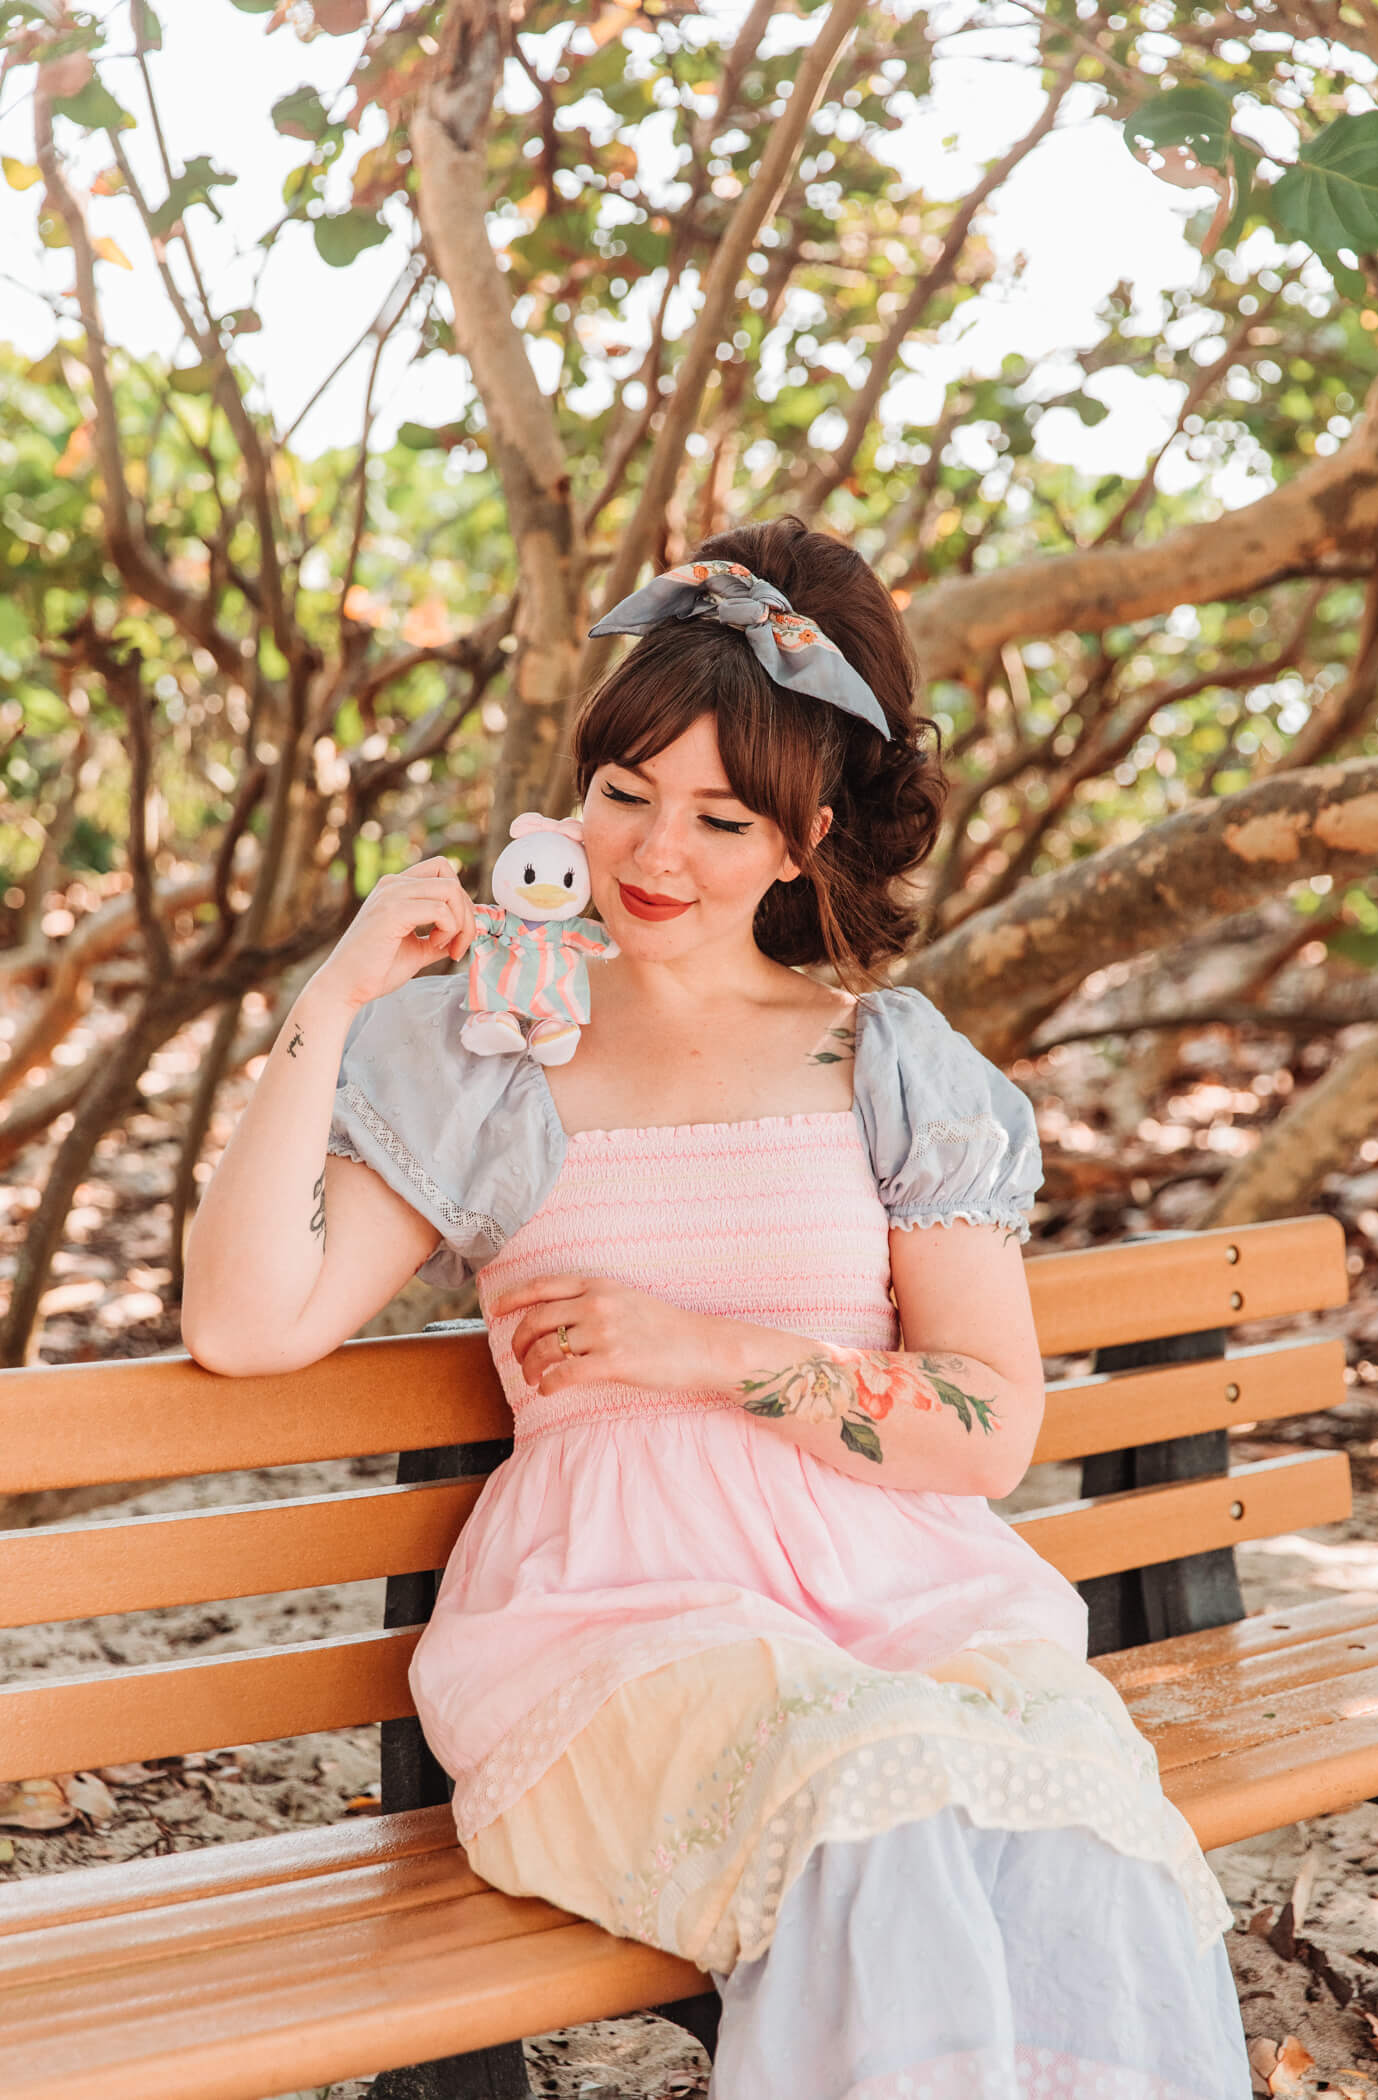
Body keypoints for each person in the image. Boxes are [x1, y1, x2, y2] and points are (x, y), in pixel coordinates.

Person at [183, 515, 1252, 2099]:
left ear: (807, 835)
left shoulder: (883, 1063)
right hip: (614, 1625)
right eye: (624, 795)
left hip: (913, 1607)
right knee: (870, 1794)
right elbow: (247, 1323)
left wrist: (709, 1352)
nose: (651, 857)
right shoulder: (490, 1052)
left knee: (1069, 1821)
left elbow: (986, 1423)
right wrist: (335, 998)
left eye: (720, 817)